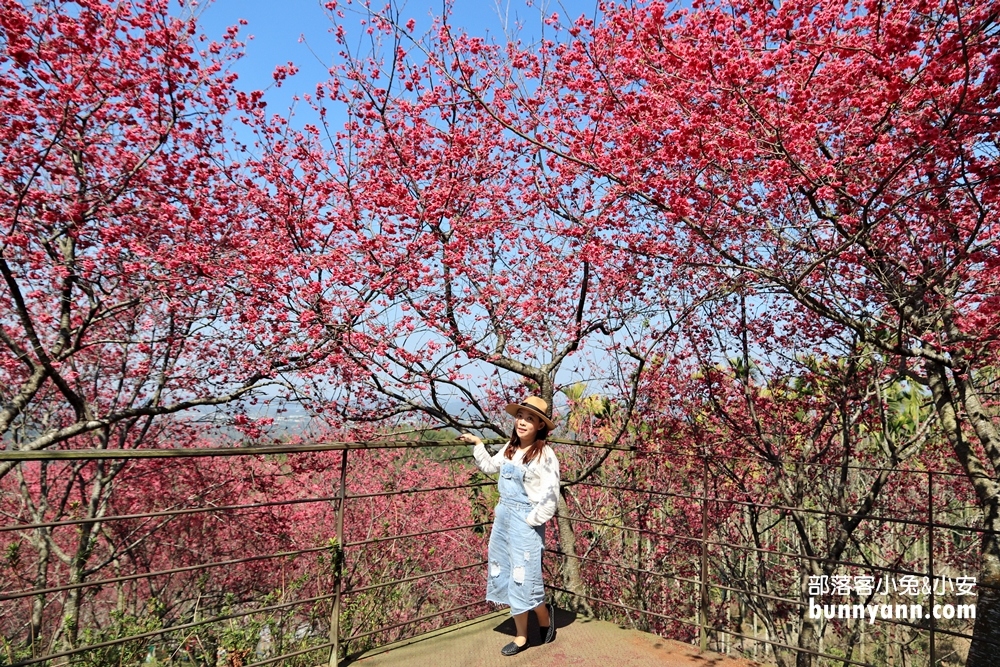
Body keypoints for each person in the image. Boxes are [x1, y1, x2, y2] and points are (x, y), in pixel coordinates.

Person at [459, 396, 561, 656]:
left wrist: (529, 521)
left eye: (530, 419)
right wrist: (479, 444)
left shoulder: (545, 455)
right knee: (506, 573)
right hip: (503, 520)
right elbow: (490, 466)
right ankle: (522, 635)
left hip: (525, 523)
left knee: (525, 576)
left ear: (540, 425)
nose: (522, 423)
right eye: (520, 417)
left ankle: (542, 619)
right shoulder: (509, 448)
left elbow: (550, 498)